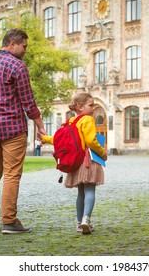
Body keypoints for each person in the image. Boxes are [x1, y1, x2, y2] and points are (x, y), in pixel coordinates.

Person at [0, 28, 46, 234]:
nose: (25, 51)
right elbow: (28, 102)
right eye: (24, 47)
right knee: (12, 175)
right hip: (12, 131)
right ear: (12, 43)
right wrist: (40, 126)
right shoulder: (18, 66)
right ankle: (9, 221)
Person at [40, 93, 107, 234]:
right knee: (90, 189)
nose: (94, 108)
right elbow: (91, 141)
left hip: (75, 162)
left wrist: (45, 138)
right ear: (80, 107)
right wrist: (102, 152)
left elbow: (59, 139)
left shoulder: (71, 121)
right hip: (88, 160)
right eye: (91, 105)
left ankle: (78, 223)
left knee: (80, 193)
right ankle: (86, 219)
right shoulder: (87, 120)